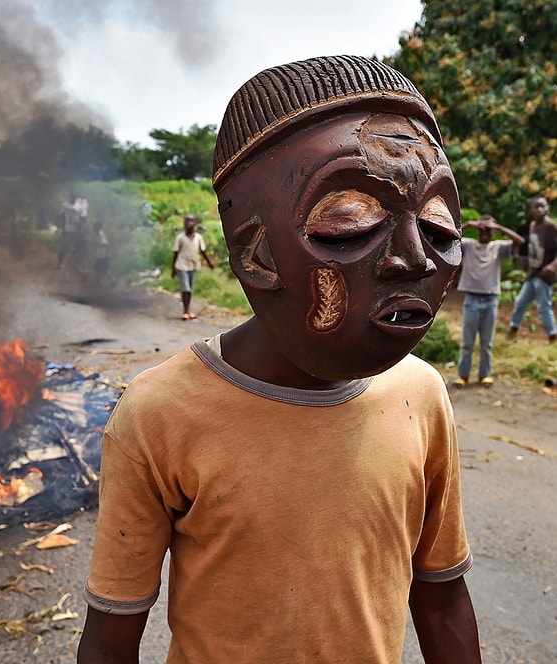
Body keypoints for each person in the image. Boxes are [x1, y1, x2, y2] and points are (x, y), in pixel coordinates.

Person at [78, 55, 480, 663]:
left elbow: (443, 600)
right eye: (350, 223)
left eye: (438, 226)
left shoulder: (419, 395)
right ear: (255, 256)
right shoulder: (159, 414)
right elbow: (110, 641)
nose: (416, 258)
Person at [453, 215, 524, 387]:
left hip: (490, 300)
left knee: (487, 343)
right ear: (477, 230)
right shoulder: (469, 245)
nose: (485, 232)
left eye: (488, 230)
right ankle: (463, 376)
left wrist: (498, 227)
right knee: (467, 343)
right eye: (482, 229)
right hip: (471, 300)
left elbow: (520, 241)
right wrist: (469, 223)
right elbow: (452, 237)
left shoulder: (498, 247)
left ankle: (485, 375)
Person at [506, 196, 557, 343]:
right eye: (537, 206)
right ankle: (513, 331)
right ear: (531, 210)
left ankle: (553, 337)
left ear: (547, 208)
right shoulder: (533, 225)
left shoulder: (551, 227)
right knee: (520, 302)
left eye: (543, 206)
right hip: (533, 272)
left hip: (544, 274)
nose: (540, 209)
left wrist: (552, 266)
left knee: (543, 306)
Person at [170, 213, 214, 320]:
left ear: (194, 223)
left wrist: (209, 263)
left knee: (189, 289)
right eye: (187, 221)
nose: (189, 223)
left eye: (191, 221)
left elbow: (202, 251)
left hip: (193, 266)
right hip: (181, 265)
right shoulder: (180, 238)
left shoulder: (198, 238)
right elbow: (175, 253)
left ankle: (188, 310)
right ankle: (185, 312)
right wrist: (173, 269)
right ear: (184, 223)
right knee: (185, 288)